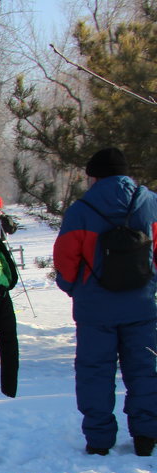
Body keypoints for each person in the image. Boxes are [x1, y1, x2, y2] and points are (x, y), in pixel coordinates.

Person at [53, 147, 157, 456]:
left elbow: (65, 259)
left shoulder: (81, 210)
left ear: (93, 177)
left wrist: (73, 287)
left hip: (95, 309)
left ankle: (99, 440)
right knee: (145, 370)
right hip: (142, 305)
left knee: (95, 372)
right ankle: (146, 436)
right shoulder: (151, 203)